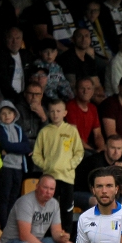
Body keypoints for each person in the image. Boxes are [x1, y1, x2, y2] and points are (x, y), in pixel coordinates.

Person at [33, 98, 84, 230]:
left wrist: (70, 165)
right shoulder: (44, 132)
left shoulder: (71, 130)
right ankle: (47, 235)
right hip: (49, 178)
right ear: (48, 113)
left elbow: (79, 152)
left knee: (67, 209)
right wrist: (46, 166)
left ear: (65, 113)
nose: (55, 114)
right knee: (48, 208)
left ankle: (66, 236)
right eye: (52, 111)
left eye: (58, 111)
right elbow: (36, 154)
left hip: (67, 177)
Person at [0, 174, 73, 243]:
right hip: (11, 242)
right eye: (45, 187)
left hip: (38, 241)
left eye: (52, 189)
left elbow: (56, 231)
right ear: (37, 186)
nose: (48, 192)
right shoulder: (25, 202)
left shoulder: (54, 204)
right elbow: (24, 236)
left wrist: (61, 237)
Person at [0, 100, 31, 227]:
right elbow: (5, 145)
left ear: (15, 114)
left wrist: (13, 148)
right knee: (4, 198)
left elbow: (27, 146)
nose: (7, 115)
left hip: (18, 168)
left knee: (13, 198)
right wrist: (18, 147)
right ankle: (3, 226)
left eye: (9, 112)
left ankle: (10, 225)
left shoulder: (19, 129)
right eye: (3, 113)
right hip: (6, 168)